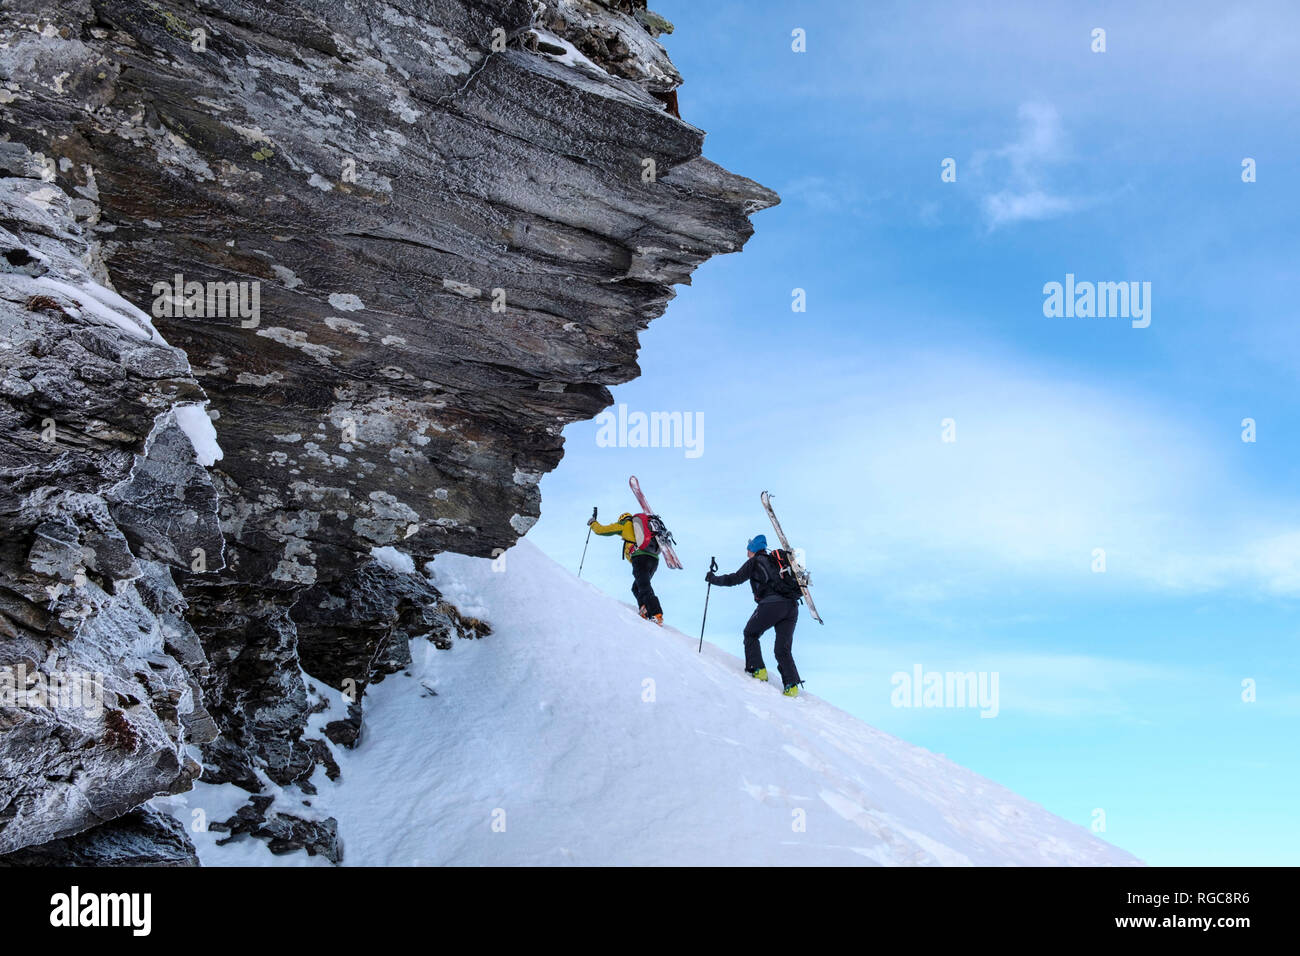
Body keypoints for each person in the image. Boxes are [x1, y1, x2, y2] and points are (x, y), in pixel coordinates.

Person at [706, 534, 804, 697]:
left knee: (750, 633)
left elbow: (735, 579)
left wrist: (713, 579)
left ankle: (758, 670)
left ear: (753, 549)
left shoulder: (755, 561)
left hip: (772, 604)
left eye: (748, 548)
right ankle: (792, 685)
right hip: (792, 607)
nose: (747, 551)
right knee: (782, 649)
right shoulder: (776, 562)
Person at [589, 512, 664, 625]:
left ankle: (656, 613)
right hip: (654, 559)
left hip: (640, 558)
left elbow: (602, 530)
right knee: (637, 587)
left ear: (622, 518)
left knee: (643, 586)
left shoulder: (625, 523)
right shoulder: (644, 528)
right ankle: (645, 610)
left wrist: (593, 523)